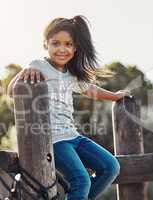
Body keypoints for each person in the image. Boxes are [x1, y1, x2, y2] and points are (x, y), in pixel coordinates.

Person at [7, 16, 131, 200]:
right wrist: (23, 73)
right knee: (81, 180)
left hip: (73, 136)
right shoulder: (38, 65)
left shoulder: (72, 74)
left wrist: (115, 96)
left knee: (111, 167)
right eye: (55, 43)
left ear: (75, 48)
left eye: (68, 44)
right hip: (54, 140)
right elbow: (11, 91)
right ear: (45, 44)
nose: (62, 49)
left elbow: (90, 90)